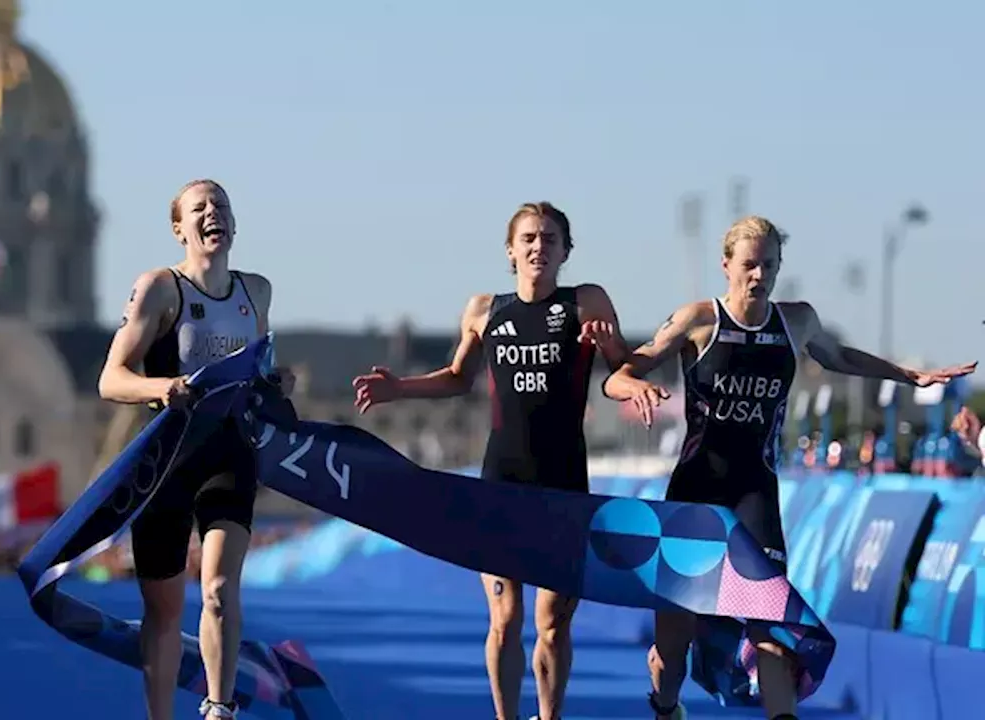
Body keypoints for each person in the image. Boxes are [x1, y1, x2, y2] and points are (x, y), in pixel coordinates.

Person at [603, 215, 977, 720]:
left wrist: (909, 375)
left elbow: (840, 355)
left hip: (755, 493)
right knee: (673, 643)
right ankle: (666, 707)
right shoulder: (699, 320)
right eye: (750, 265)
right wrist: (635, 387)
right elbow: (623, 373)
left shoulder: (795, 321)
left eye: (770, 266)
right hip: (694, 495)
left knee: (772, 633)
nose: (759, 276)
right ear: (727, 266)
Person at [352, 201, 631, 720]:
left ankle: (550, 716)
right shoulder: (484, 309)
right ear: (510, 251)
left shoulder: (586, 301)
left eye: (550, 239)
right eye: (528, 238)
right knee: (504, 616)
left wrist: (631, 376)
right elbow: (459, 377)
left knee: (553, 621)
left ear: (566, 251)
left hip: (564, 483)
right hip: (501, 480)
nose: (538, 247)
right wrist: (399, 388)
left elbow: (618, 369)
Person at [97, 179, 293, 719]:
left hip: (229, 455)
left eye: (222, 205)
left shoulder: (258, 292)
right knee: (162, 612)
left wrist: (277, 383)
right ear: (179, 229)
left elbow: (258, 371)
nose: (213, 214)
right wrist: (161, 387)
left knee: (218, 588)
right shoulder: (160, 289)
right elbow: (110, 379)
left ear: (234, 224)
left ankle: (219, 708)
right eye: (199, 208)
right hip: (165, 460)